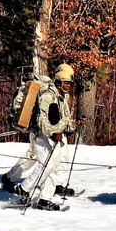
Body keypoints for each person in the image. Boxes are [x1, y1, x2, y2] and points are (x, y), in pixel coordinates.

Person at [16, 64, 83, 211]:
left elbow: (63, 121)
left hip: (54, 137)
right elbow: (42, 121)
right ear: (58, 82)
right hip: (40, 135)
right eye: (66, 83)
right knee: (46, 164)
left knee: (55, 166)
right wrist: (53, 133)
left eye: (70, 83)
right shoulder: (47, 97)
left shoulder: (61, 98)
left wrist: (75, 124)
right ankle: (24, 188)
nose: (69, 86)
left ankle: (45, 198)